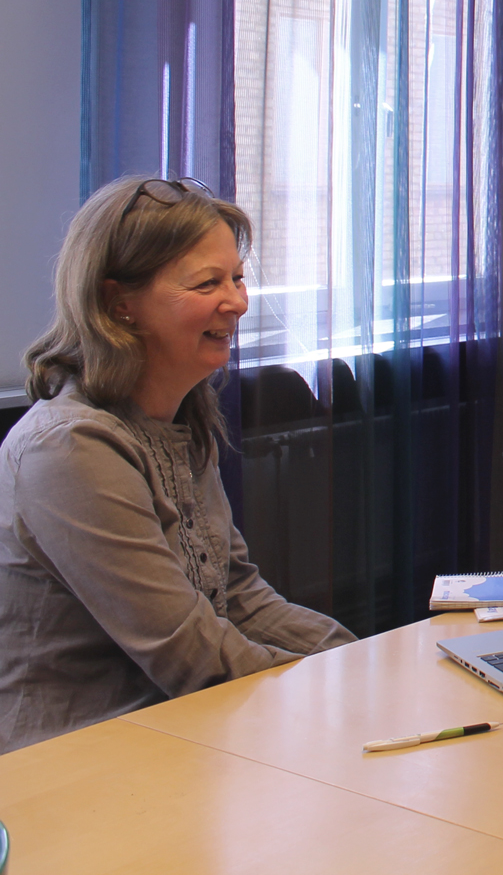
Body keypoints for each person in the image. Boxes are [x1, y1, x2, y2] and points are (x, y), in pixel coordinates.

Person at [0, 177, 355, 754]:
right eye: (208, 283)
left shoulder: (181, 417)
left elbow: (239, 596)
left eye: (238, 278)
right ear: (120, 305)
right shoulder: (68, 448)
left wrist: (360, 662)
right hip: (74, 768)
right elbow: (191, 656)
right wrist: (342, 698)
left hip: (183, 738)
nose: (237, 301)